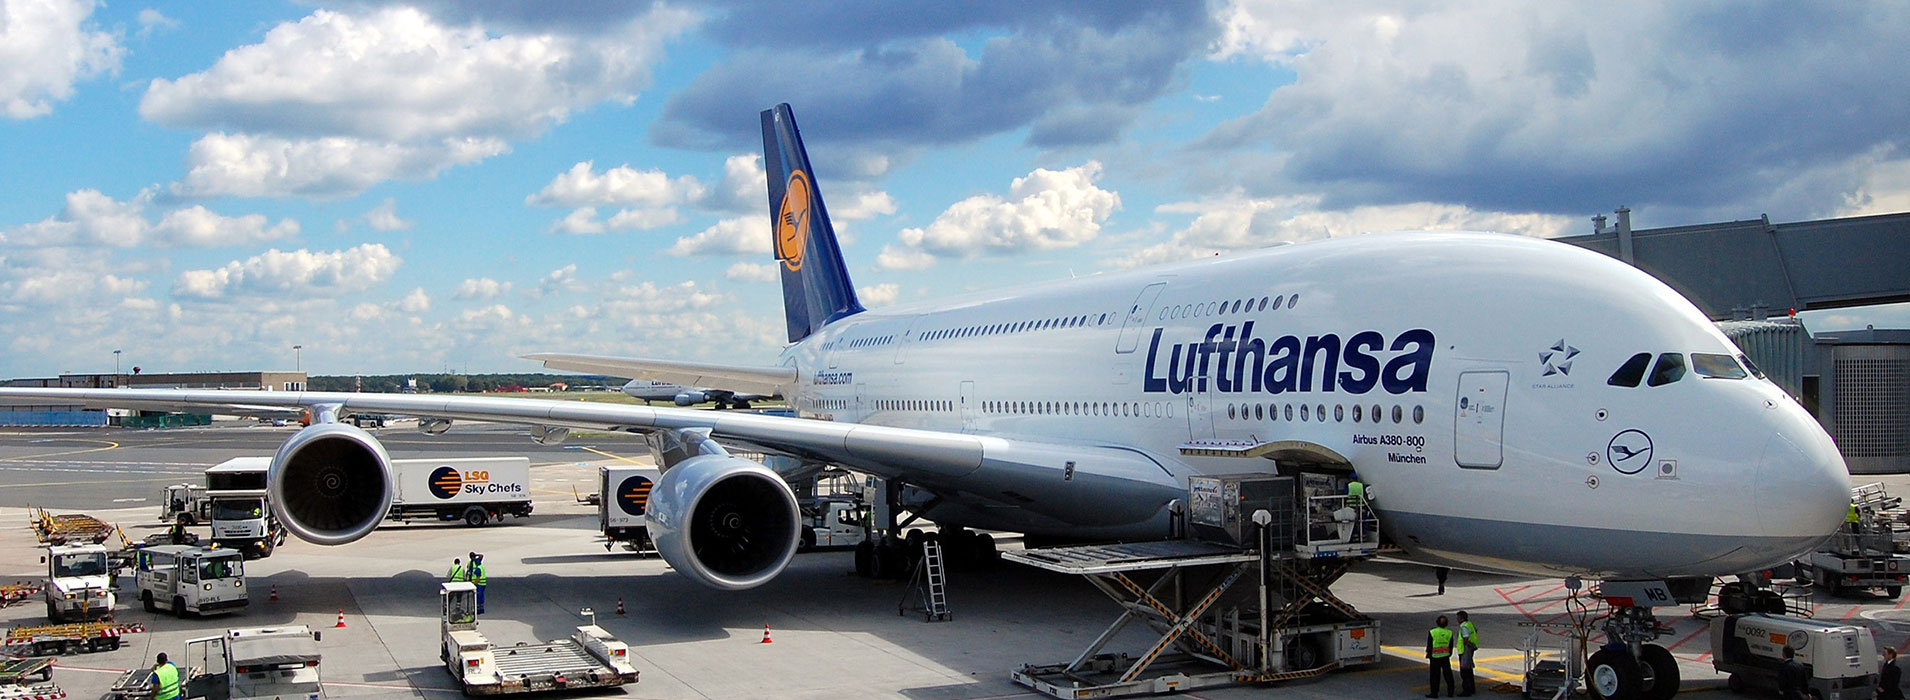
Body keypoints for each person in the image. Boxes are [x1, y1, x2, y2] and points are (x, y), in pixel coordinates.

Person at [1426, 615, 1456, 698]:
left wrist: (1429, 654)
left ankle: (1434, 693)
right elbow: (1451, 645)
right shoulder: (1449, 632)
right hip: (1445, 656)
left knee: (1434, 675)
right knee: (1448, 674)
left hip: (1435, 656)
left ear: (1437, 623)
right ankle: (1450, 692)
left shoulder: (1432, 632)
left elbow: (1429, 645)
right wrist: (1449, 653)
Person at [1455, 611, 1479, 697]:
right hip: (1470, 648)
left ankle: (1466, 690)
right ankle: (1472, 688)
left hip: (1465, 650)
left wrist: (1467, 646)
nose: (1457, 619)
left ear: (1462, 619)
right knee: (1469, 670)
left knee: (1464, 671)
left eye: (1458, 618)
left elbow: (1465, 639)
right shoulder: (1469, 624)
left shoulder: (1464, 627)